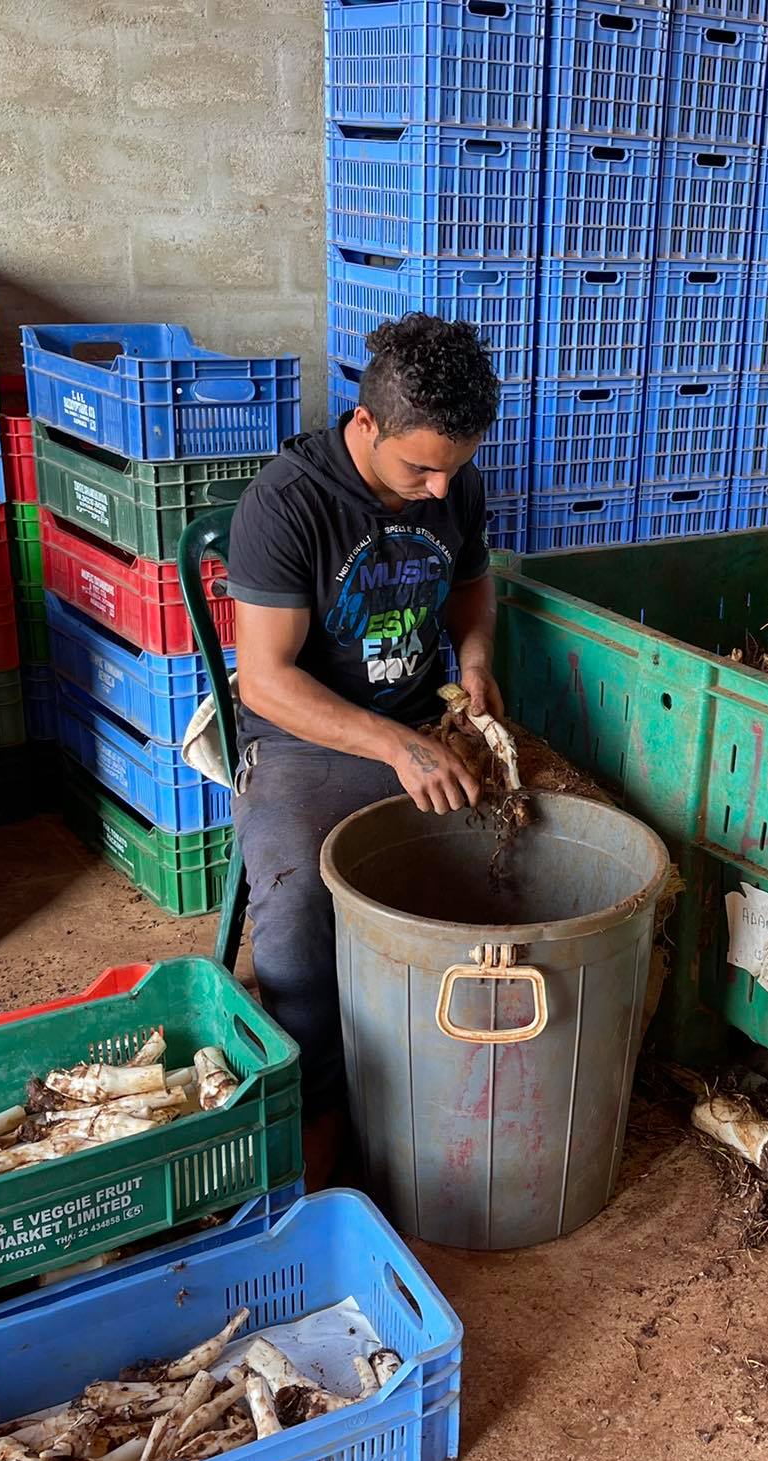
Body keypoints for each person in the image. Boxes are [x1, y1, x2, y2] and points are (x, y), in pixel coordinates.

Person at [225, 312, 503, 1185]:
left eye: (452, 468)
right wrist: (395, 747)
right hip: (308, 736)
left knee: (526, 847)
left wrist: (475, 662)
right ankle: (319, 1116)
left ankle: (455, 1082)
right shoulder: (287, 502)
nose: (437, 488)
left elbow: (471, 587)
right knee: (298, 913)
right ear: (366, 423)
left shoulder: (453, 482)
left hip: (425, 721)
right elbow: (264, 681)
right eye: (419, 468)